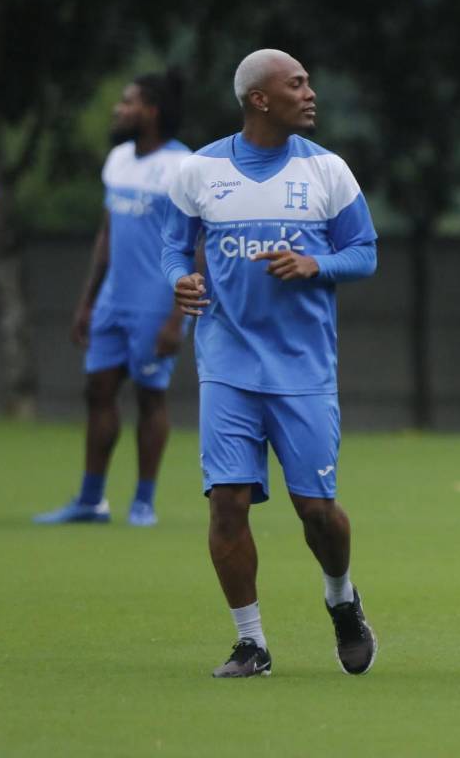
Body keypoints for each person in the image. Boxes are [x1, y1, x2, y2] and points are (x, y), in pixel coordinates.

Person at [162, 49, 379, 678]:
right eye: (297, 84)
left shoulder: (328, 171)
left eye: (309, 81)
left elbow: (364, 253)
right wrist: (180, 280)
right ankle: (251, 642)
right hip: (227, 364)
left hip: (303, 368)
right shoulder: (199, 170)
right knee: (226, 503)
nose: (311, 93)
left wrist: (317, 264)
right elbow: (174, 249)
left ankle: (341, 598)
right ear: (259, 99)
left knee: (316, 510)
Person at [35, 71, 189, 527]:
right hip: (113, 301)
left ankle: (142, 503)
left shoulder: (182, 166)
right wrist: (87, 300)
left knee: (149, 397)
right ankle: (91, 500)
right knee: (97, 390)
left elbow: (195, 244)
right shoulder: (119, 159)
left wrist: (177, 318)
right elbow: (106, 234)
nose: (119, 110)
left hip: (156, 301)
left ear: (152, 111)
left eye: (128, 102)